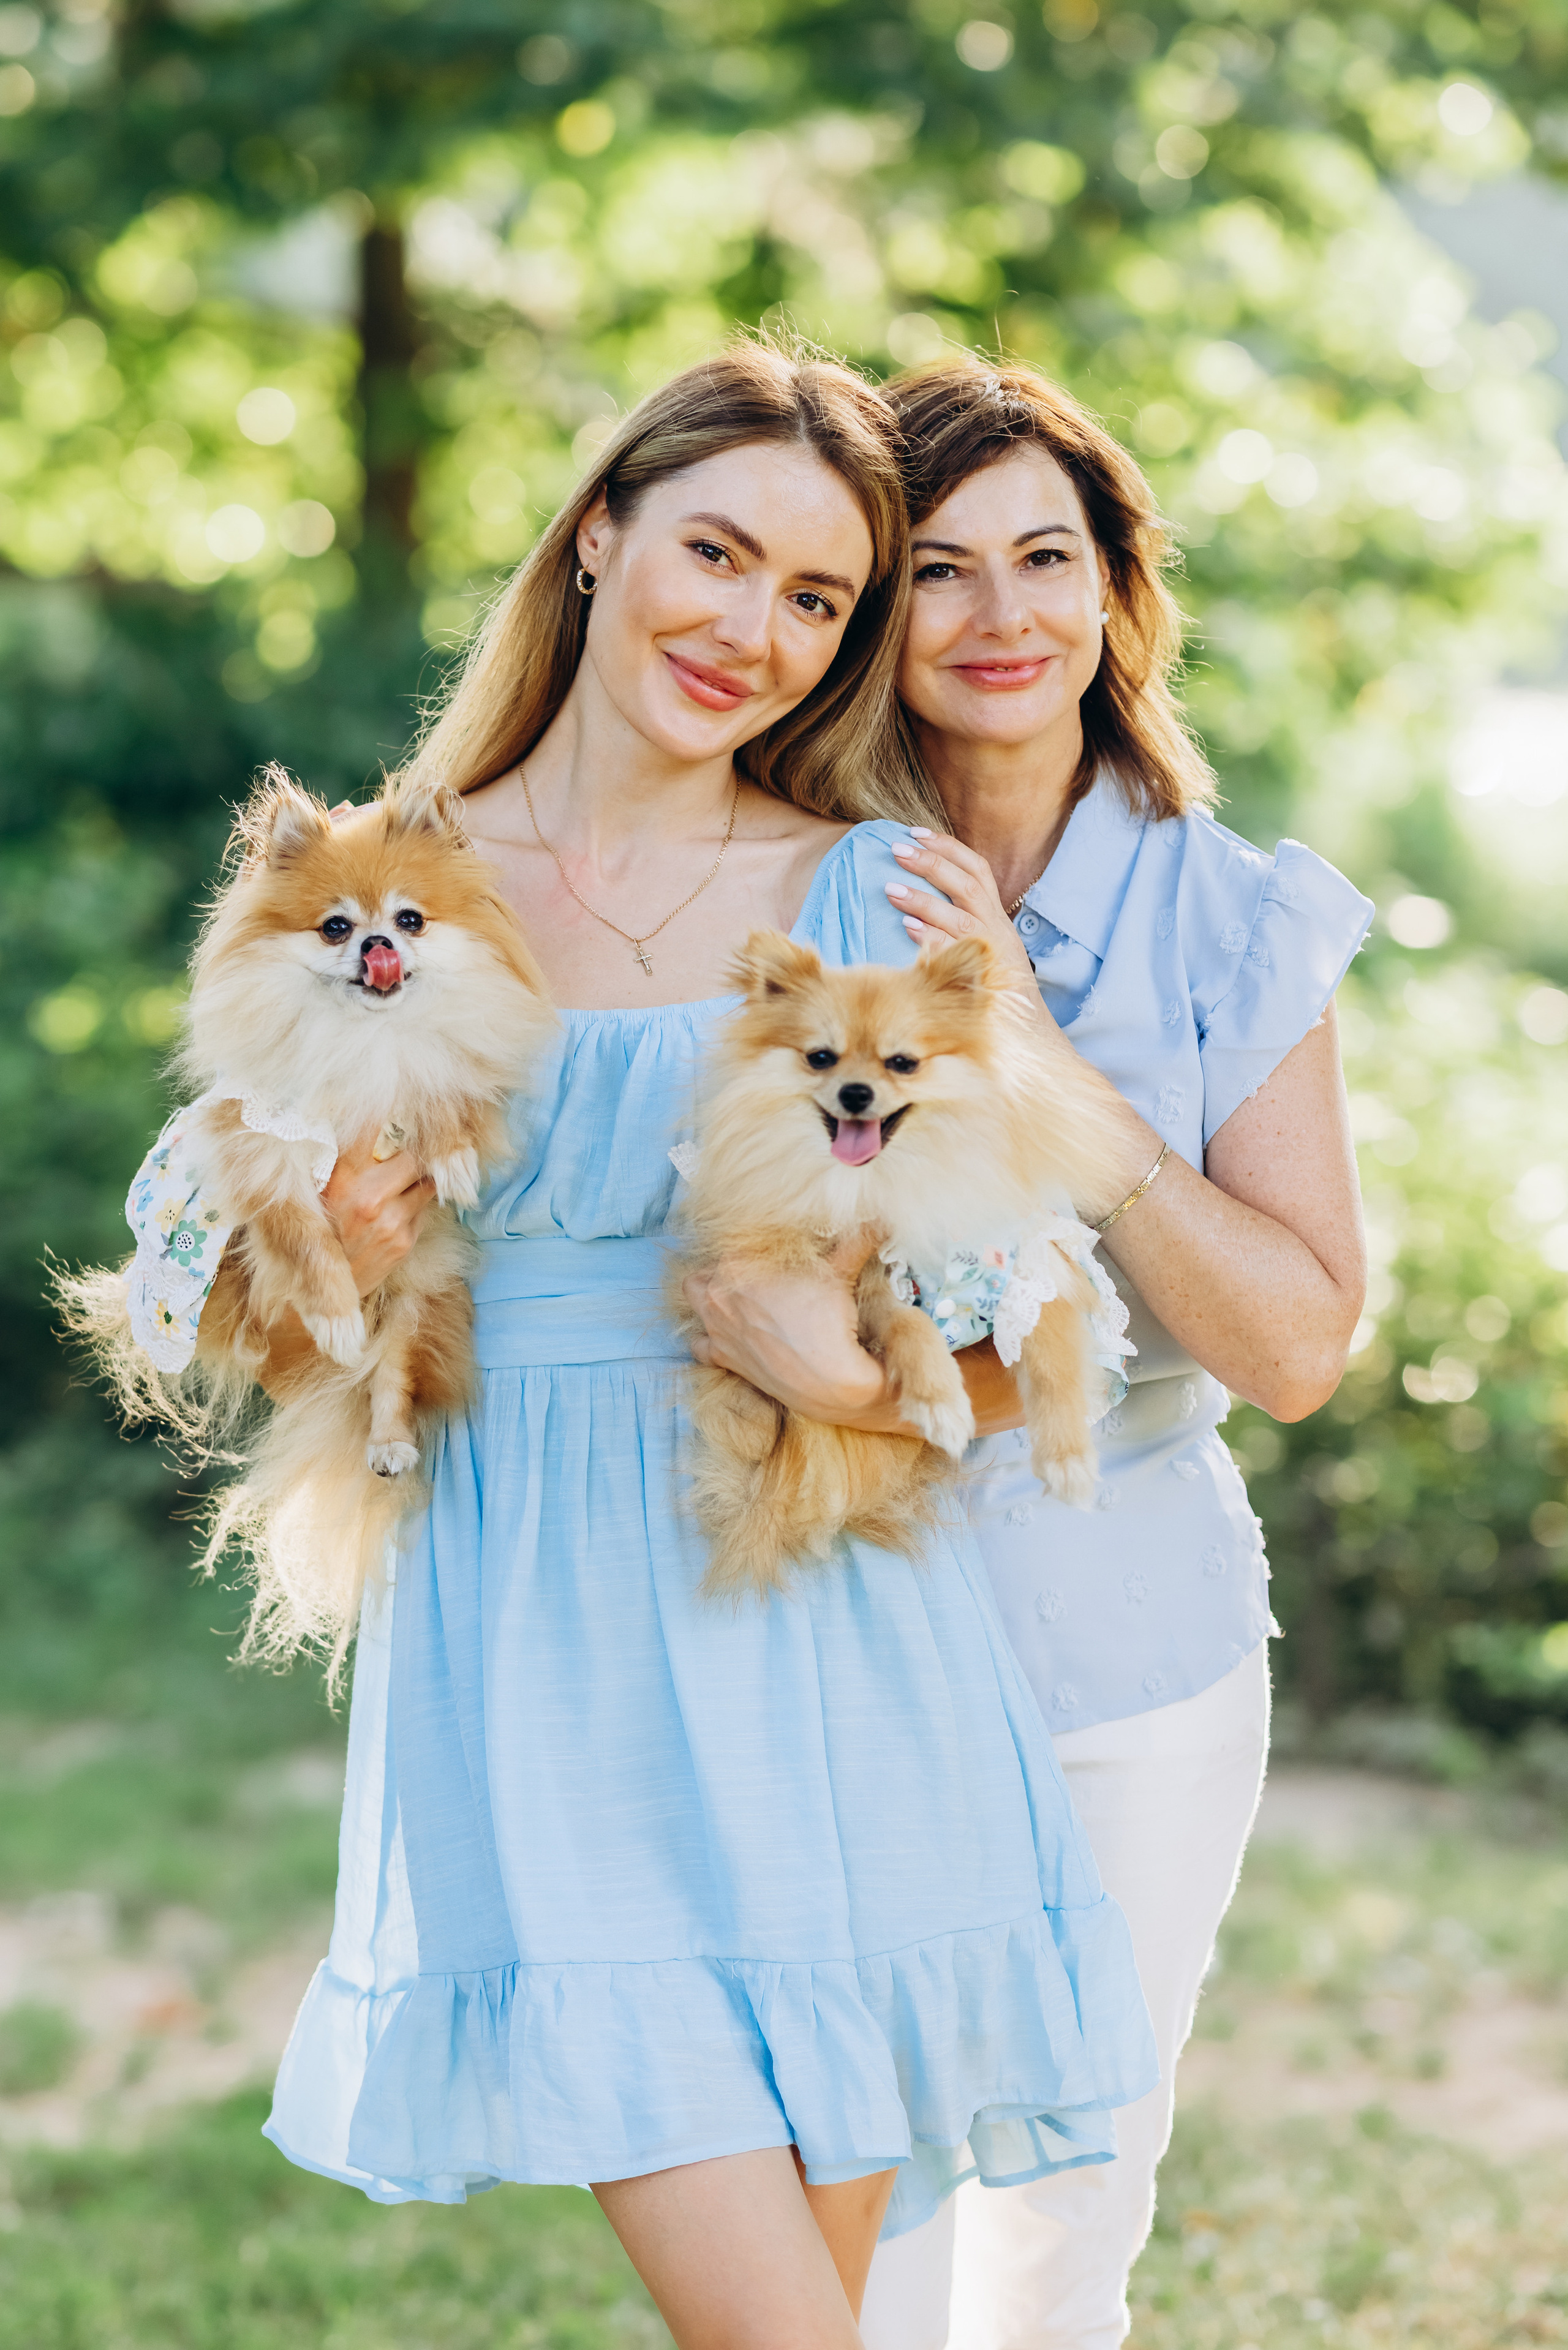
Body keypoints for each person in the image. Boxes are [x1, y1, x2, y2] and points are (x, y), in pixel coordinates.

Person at [137, 345, 1155, 2350]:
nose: (751, 632)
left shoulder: (865, 887)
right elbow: (203, 1279)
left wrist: (845, 1377)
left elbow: (1029, 1311)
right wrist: (329, 1255)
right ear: (598, 535)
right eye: (715, 551)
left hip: (826, 1604)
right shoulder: (395, 883)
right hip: (539, 1617)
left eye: (817, 601)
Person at [839, 360, 1371, 2350]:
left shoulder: (1236, 922)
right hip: (842, 1610)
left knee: (1070, 2210)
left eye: (1046, 558)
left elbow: (1302, 1343)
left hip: (1132, 1637)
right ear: (868, 616)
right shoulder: (789, 881)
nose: (1001, 620)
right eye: (938, 572)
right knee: (856, 2201)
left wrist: (1043, 1068)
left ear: (1115, 590)